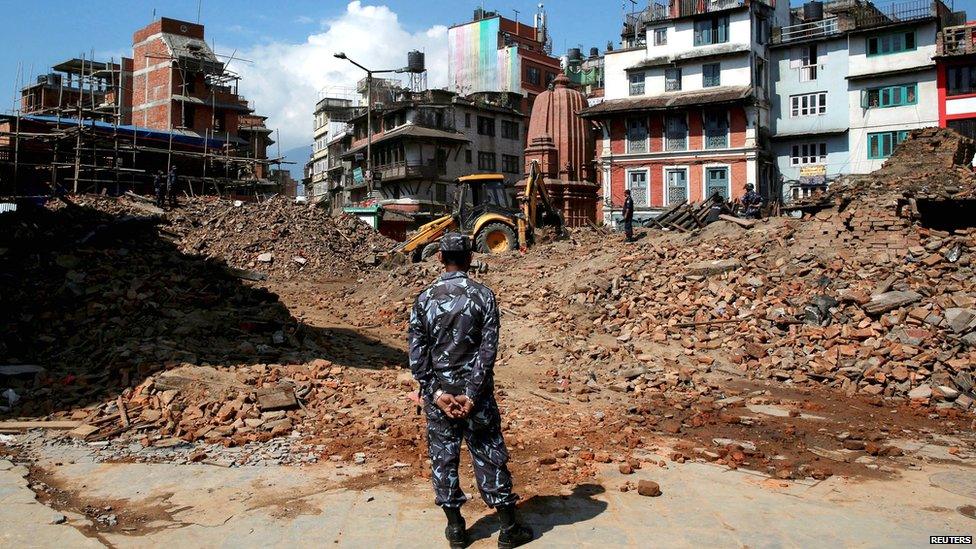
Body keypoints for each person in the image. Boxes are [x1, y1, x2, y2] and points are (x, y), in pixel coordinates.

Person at [408, 233, 533, 549]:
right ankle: (507, 529)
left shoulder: (423, 299)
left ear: (440, 258)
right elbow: (488, 352)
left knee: (443, 458)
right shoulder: (484, 296)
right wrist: (472, 395)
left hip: (441, 399)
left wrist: (436, 394)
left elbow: (416, 356)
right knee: (489, 452)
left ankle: (455, 530)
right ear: (471, 258)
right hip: (475, 399)